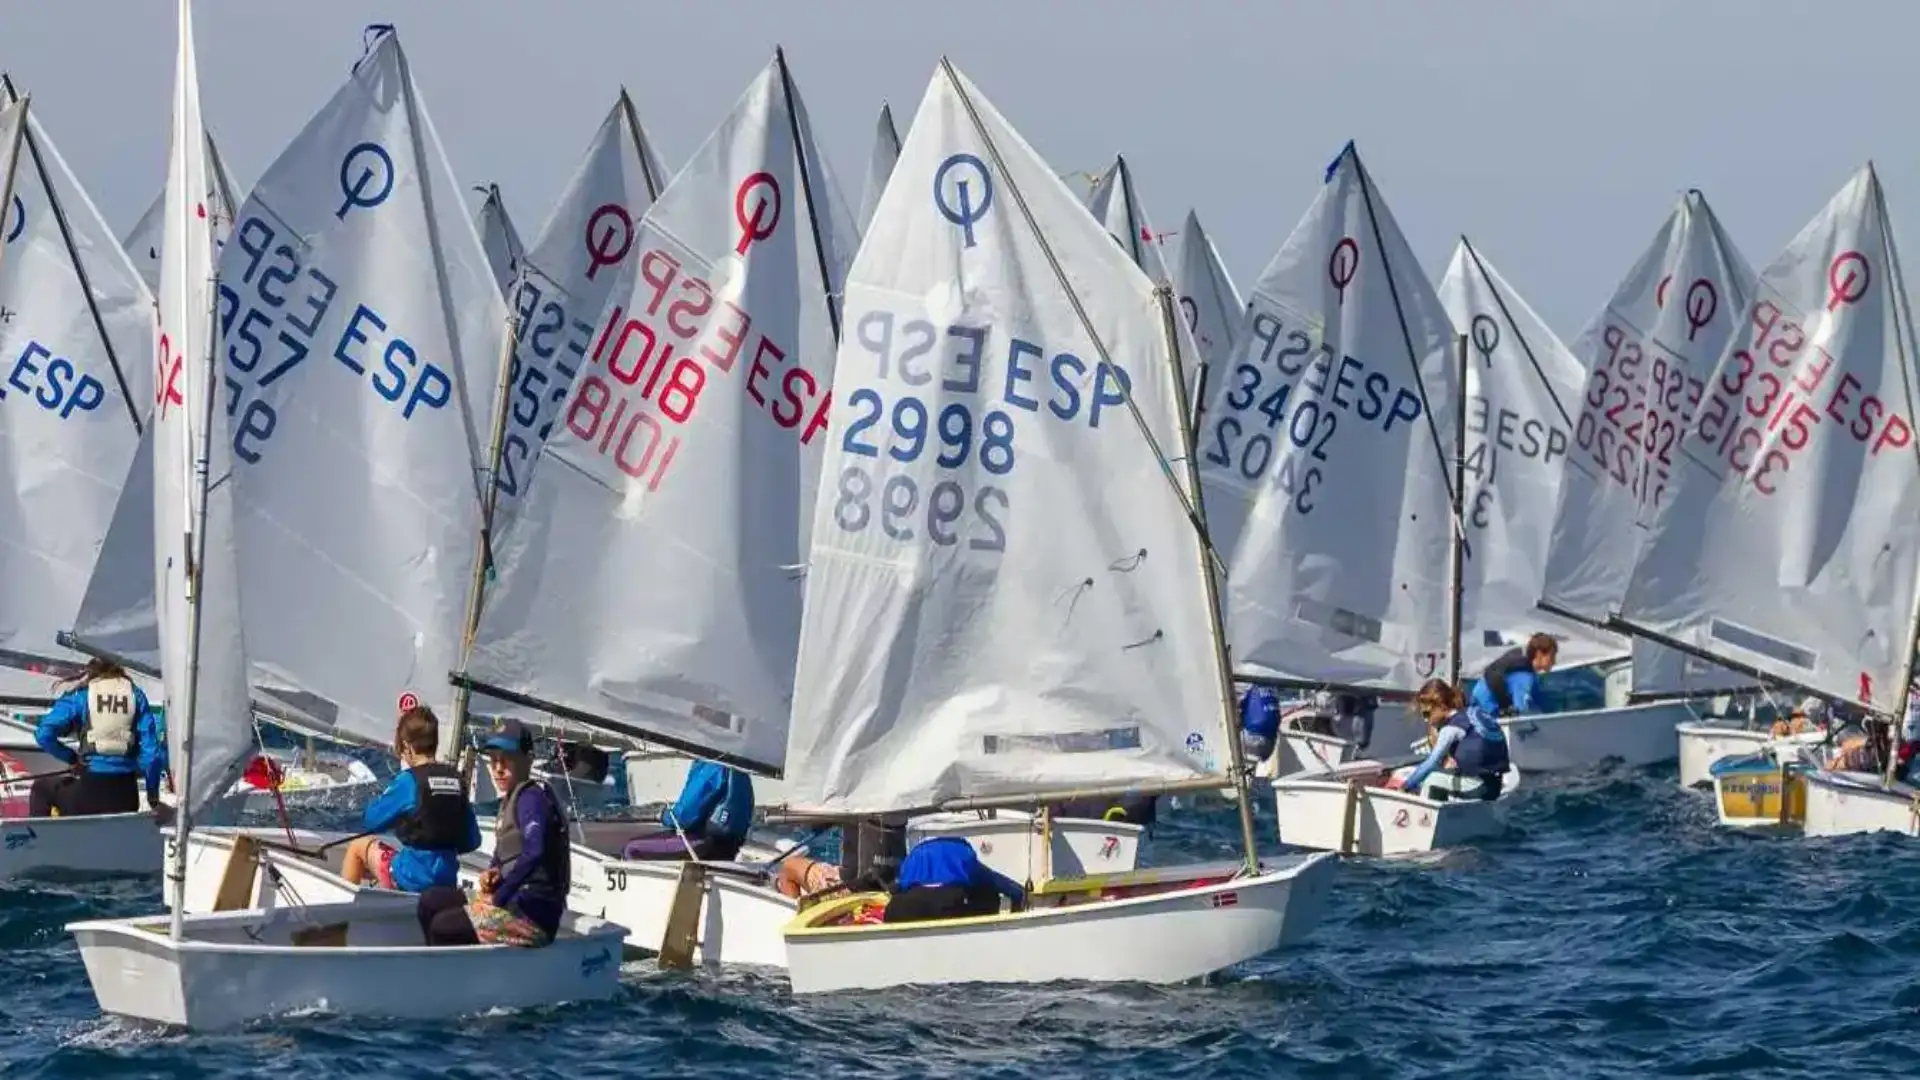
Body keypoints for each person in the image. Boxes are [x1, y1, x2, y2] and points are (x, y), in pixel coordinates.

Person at [416, 718, 570, 948]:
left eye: (506, 760)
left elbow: (535, 851)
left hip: (532, 916)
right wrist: (494, 872)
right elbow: (507, 854)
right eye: (493, 760)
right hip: (512, 902)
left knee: (444, 926)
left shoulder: (532, 799)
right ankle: (440, 968)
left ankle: (453, 979)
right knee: (430, 901)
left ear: (528, 761)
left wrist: (499, 897)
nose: (498, 768)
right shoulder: (510, 798)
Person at [339, 706, 481, 893]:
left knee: (357, 848)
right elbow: (473, 840)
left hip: (410, 879)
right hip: (446, 881)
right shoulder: (457, 780)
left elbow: (371, 821)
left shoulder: (409, 780)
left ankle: (345, 915)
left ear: (406, 746)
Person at [30, 658, 167, 818]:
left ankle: (40, 841)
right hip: (126, 798)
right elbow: (152, 757)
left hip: (89, 795)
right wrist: (153, 797)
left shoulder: (81, 695)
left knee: (42, 788)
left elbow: (43, 735)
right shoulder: (136, 695)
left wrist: (72, 758)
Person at [1388, 679, 1510, 801]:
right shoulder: (1471, 714)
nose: (1426, 720)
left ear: (1441, 706)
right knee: (1444, 776)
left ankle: (1426, 815)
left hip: (1478, 787)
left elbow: (1431, 763)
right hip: (1495, 785)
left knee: (1431, 779)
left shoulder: (1451, 728)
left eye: (1427, 714)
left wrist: (1406, 786)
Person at [620, 758, 754, 861]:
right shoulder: (736, 766)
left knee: (632, 849)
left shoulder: (712, 765)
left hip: (706, 843)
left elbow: (683, 817)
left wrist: (664, 815)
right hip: (729, 847)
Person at [882, 836, 1026, 923]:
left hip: (906, 911)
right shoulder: (962, 856)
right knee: (989, 894)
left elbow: (896, 886)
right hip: (951, 906)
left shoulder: (914, 858)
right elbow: (1001, 884)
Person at [1470, 633, 1559, 717]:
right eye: (1551, 656)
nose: (1554, 662)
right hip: (1485, 705)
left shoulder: (1527, 669)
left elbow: (1536, 699)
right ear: (1539, 654)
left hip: (1479, 697)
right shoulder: (1524, 676)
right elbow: (1520, 710)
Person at [1239, 683, 1281, 765]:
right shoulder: (1273, 688)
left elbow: (1235, 706)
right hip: (1270, 744)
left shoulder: (1247, 687)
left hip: (1250, 739)